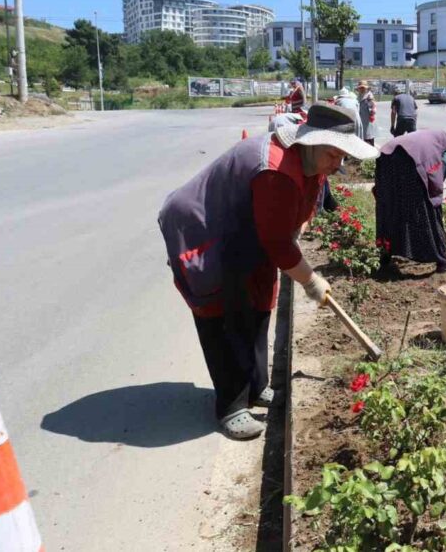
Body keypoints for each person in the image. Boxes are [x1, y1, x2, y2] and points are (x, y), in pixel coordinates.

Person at [158, 104, 378, 439]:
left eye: (343, 157)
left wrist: (299, 225)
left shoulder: (312, 164)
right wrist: (312, 281)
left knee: (260, 301)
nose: (339, 165)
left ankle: (256, 384)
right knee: (223, 312)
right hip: (208, 230)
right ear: (312, 143)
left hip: (249, 229)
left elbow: (299, 213)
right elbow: (277, 245)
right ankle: (231, 405)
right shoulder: (274, 169)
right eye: (335, 155)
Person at [373, 130, 446, 273]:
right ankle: (442, 261)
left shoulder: (433, 137)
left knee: (390, 207)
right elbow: (441, 169)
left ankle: (385, 258)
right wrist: (435, 189)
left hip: (386, 156)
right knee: (426, 208)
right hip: (410, 160)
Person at [356, 80, 377, 146]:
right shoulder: (359, 96)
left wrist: (372, 112)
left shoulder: (369, 96)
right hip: (361, 120)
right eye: (360, 88)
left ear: (366, 88)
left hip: (368, 121)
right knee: (362, 139)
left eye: (363, 88)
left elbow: (373, 108)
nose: (362, 89)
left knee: (369, 139)